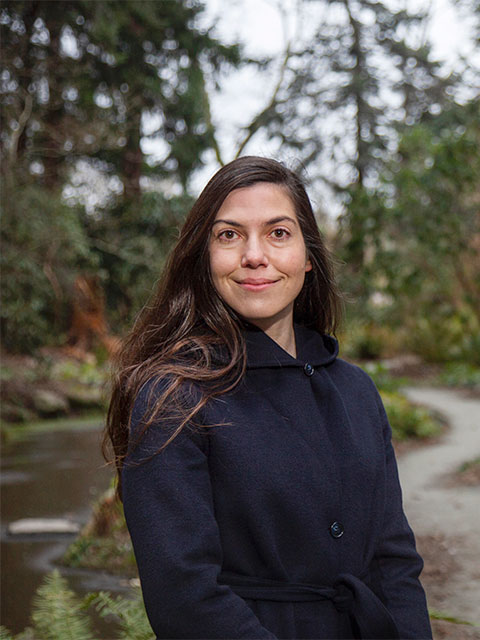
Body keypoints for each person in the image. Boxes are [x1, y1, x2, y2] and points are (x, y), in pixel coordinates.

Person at [103, 157, 431, 639]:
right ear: (204, 257)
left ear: (308, 254)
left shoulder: (356, 390)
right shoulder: (174, 396)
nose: (254, 255)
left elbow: (395, 559)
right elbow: (184, 596)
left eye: (278, 233)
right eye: (229, 235)